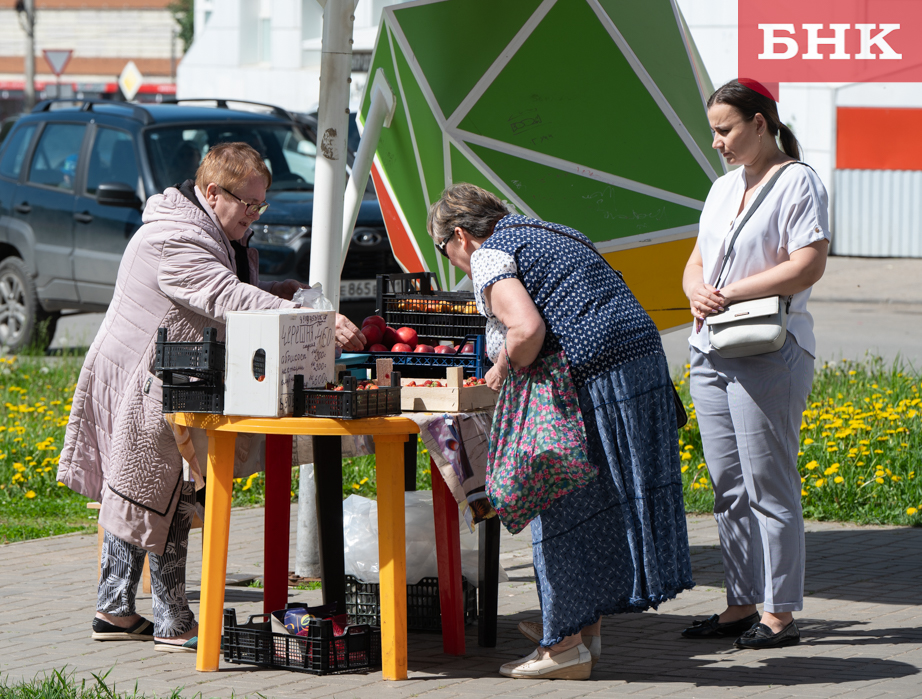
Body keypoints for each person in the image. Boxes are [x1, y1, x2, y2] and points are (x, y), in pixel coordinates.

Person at [57, 141, 366, 653]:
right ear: (210, 193)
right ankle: (172, 622)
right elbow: (222, 297)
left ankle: (113, 610)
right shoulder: (174, 239)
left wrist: (282, 291)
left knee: (144, 487)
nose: (255, 214)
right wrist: (309, 318)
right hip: (145, 377)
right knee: (166, 492)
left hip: (167, 374)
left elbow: (231, 288)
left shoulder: (209, 232)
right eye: (248, 203)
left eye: (260, 203)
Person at [427, 183, 694, 680]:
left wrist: (500, 369)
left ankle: (564, 649)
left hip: (589, 373)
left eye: (446, 252)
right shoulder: (548, 229)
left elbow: (525, 330)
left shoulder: (490, 254)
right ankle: (582, 628)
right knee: (595, 501)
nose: (455, 263)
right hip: (638, 364)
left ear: (461, 236)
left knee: (553, 490)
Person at [680, 80, 829, 650]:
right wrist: (698, 292)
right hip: (711, 347)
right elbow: (696, 261)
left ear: (761, 123)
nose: (717, 141)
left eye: (726, 129)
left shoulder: (798, 181)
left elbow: (807, 264)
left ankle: (780, 614)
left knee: (769, 485)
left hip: (769, 348)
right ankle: (740, 604)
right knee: (728, 487)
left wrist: (733, 292)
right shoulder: (721, 188)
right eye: (714, 130)